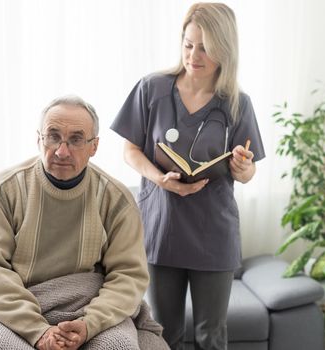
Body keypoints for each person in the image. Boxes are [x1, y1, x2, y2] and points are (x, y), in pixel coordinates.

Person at [111, 3, 265, 350]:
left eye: (205, 47)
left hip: (214, 231)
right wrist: (158, 177)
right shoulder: (152, 88)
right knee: (163, 333)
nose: (194, 55)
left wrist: (245, 168)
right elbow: (129, 149)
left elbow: (249, 168)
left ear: (225, 49)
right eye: (188, 44)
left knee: (212, 336)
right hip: (163, 228)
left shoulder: (237, 103)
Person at [0, 95, 157, 350]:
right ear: (38, 139)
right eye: (53, 136)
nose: (62, 151)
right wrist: (38, 331)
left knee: (118, 346)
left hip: (89, 306)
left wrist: (90, 324)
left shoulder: (117, 199)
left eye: (76, 139)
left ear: (94, 146)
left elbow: (128, 276)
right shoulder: (2, 190)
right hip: (15, 308)